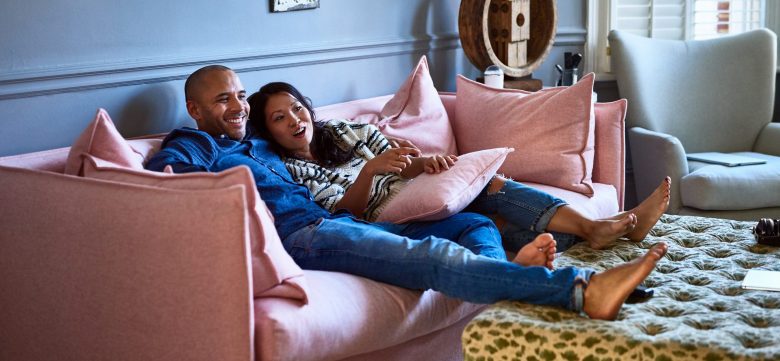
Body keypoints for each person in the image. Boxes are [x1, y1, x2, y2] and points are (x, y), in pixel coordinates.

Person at [145, 64, 668, 321]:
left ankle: (514, 279)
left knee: (471, 224)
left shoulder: (258, 141)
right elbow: (166, 181)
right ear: (196, 110)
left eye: (239, 95)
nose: (236, 106)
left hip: (341, 226)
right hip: (302, 236)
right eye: (222, 100)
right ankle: (579, 290)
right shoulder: (196, 141)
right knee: (432, 254)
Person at [247, 81, 671, 254]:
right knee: (486, 203)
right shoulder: (287, 170)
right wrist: (371, 172)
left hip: (408, 189)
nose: (294, 120)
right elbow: (346, 213)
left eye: (296, 109)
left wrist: (421, 163)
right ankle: (606, 228)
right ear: (268, 130)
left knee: (494, 198)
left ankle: (603, 229)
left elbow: (402, 162)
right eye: (279, 118)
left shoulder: (338, 131)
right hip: (379, 213)